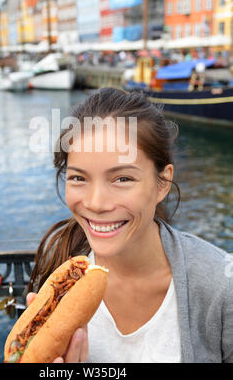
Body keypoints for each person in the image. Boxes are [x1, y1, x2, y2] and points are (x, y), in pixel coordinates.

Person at [26, 88, 233, 363]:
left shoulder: (220, 288)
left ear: (163, 183)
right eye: (78, 178)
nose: (97, 203)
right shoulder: (57, 269)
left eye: (122, 179)